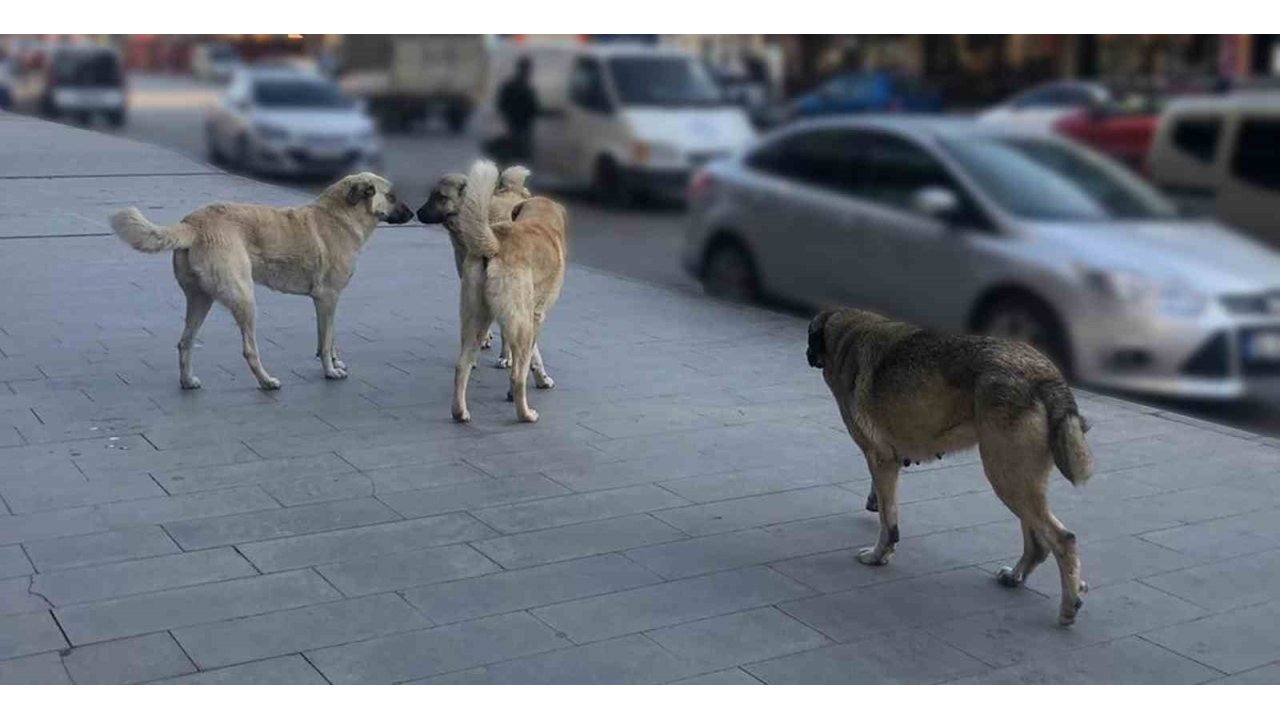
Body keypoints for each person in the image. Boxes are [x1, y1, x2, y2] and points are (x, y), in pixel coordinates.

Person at [497, 57, 539, 163]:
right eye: (527, 69)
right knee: (520, 153)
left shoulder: (515, 86)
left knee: (517, 152)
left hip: (517, 123)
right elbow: (532, 107)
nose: (528, 72)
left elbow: (502, 103)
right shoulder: (522, 87)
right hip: (518, 124)